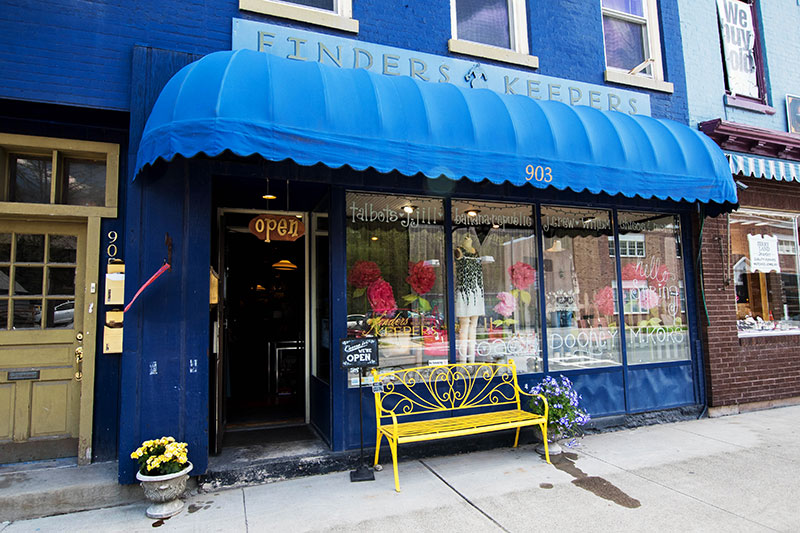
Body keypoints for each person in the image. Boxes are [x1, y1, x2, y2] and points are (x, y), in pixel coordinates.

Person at [454, 233, 485, 363]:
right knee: (464, 325)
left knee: (474, 326)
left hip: (477, 290)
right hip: (464, 291)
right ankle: (462, 361)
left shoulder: (476, 252)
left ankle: (471, 360)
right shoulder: (458, 251)